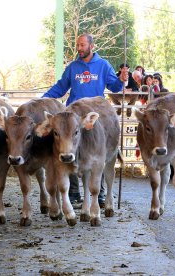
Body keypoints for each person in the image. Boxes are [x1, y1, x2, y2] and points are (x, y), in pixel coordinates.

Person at [42, 33, 128, 207]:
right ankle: (74, 193)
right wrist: (43, 100)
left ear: (91, 46)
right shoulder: (73, 67)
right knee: (69, 151)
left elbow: (115, 87)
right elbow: (60, 87)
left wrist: (121, 79)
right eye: (78, 45)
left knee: (98, 152)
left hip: (95, 118)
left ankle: (100, 193)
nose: (79, 48)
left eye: (82, 45)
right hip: (72, 118)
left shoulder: (103, 65)